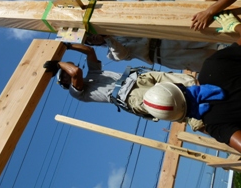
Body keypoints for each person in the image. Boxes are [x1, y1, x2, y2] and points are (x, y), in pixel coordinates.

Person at [143, 12, 241, 151]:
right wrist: (236, 26)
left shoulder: (214, 126)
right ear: (178, 84)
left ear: (179, 117)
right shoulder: (211, 66)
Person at [43, 42, 199, 125]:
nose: (65, 75)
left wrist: (67, 45)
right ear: (64, 84)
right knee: (183, 107)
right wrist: (58, 65)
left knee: (189, 83)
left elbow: (90, 51)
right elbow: (75, 72)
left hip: (139, 78)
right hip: (131, 96)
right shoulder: (76, 92)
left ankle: (208, 91)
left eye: (63, 72)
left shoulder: (93, 72)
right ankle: (207, 122)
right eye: (63, 76)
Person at [85, 34, 218, 72]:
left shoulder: (117, 28)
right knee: (209, 63)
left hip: (167, 39)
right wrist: (109, 39)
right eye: (90, 41)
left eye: (91, 35)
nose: (93, 38)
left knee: (213, 40)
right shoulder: (111, 53)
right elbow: (123, 54)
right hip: (163, 57)